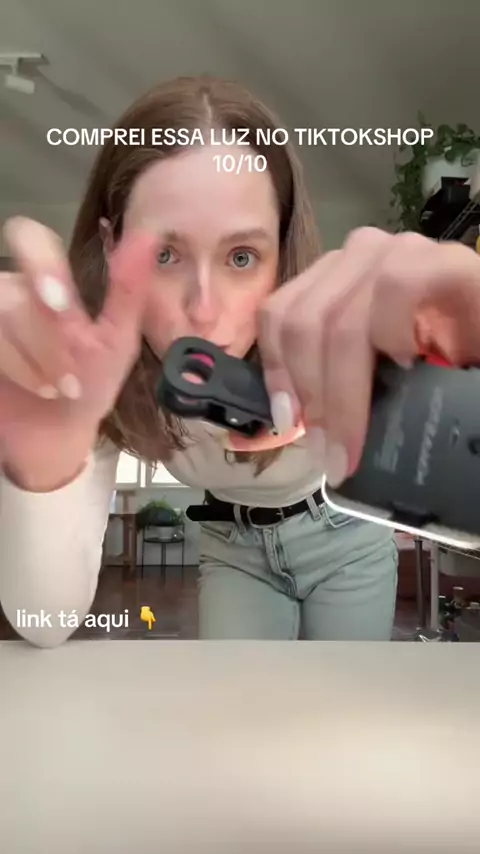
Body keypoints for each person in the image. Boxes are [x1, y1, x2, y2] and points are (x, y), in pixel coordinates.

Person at [0, 76, 479, 647]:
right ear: (110, 245)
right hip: (232, 545)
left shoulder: (333, 332)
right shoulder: (90, 372)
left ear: (281, 253)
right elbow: (45, 624)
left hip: (345, 535)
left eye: (242, 256)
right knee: (240, 697)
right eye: (165, 254)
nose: (204, 310)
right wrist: (40, 475)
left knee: (346, 699)